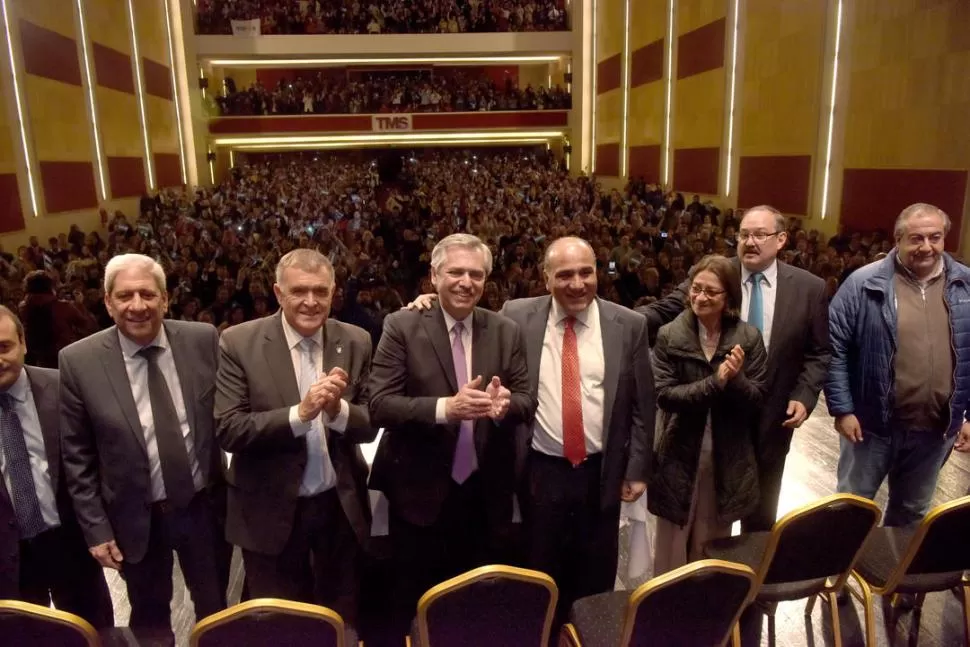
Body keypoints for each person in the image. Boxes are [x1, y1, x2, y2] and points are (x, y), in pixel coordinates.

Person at [368, 234, 535, 633]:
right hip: (419, 495)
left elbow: (528, 400)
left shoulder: (505, 330)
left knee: (477, 605)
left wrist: (505, 405)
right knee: (418, 603)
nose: (466, 281)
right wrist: (447, 409)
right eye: (455, 272)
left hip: (484, 496)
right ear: (433, 276)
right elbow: (379, 404)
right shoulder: (402, 325)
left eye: (475, 274)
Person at [60, 254, 227, 637]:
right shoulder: (78, 361)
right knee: (150, 619)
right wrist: (96, 528)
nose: (137, 306)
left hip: (203, 508)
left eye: (147, 294)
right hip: (134, 517)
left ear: (165, 299)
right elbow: (77, 455)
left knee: (216, 611)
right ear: (107, 302)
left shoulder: (203, 340)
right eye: (125, 296)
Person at [642, 205, 830, 532]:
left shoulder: (809, 288)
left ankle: (751, 577)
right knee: (710, 517)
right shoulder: (714, 272)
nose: (750, 242)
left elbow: (819, 351)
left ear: (781, 239)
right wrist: (616, 321)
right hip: (714, 415)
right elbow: (668, 308)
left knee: (760, 516)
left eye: (760, 234)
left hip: (772, 417)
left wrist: (804, 394)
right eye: (744, 234)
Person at [215, 248, 376, 627]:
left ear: (334, 291)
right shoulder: (239, 342)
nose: (310, 301)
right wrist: (299, 415)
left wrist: (337, 411)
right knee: (280, 623)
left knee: (341, 617)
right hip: (268, 510)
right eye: (299, 291)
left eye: (320, 291)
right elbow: (229, 429)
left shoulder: (355, 340)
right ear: (277, 292)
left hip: (338, 509)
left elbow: (370, 423)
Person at [498, 237, 654, 625]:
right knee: (538, 573)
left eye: (586, 272)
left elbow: (642, 405)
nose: (578, 283)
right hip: (539, 471)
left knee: (594, 576)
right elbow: (468, 321)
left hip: (601, 473)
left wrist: (636, 468)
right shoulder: (515, 315)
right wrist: (427, 303)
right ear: (546, 277)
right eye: (565, 274)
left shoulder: (629, 325)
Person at [827, 203, 970, 529]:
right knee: (850, 511)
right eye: (916, 239)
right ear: (898, 240)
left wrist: (968, 415)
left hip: (934, 432)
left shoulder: (965, 285)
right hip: (870, 426)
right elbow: (834, 349)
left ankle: (890, 578)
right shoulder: (862, 284)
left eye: (935, 237)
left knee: (911, 515)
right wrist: (843, 409)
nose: (927, 247)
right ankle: (837, 578)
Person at [649, 255, 767, 574]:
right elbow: (665, 396)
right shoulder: (670, 335)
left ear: (728, 296)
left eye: (711, 292)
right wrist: (717, 382)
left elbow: (757, 400)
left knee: (711, 545)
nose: (700, 297)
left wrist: (737, 378)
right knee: (671, 547)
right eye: (696, 289)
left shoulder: (748, 338)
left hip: (726, 455)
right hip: (679, 451)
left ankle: (705, 611)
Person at [0, 306, 112, 627]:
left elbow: (99, 460)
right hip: (8, 556)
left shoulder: (65, 388)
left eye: (4, 347)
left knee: (93, 632)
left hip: (70, 546)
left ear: (23, 342)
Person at [19, 270, 97, 368]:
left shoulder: (23, 308)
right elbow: (88, 325)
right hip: (65, 358)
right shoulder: (63, 307)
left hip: (39, 362)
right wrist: (80, 304)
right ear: (50, 287)